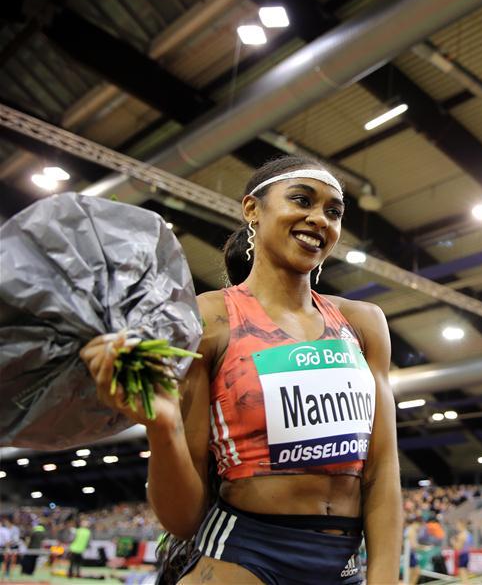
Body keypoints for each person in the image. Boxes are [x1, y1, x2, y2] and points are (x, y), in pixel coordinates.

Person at [80, 156, 402, 584]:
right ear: (252, 209)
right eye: (301, 200)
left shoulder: (363, 323)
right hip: (243, 555)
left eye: (333, 211)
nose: (318, 219)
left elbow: (381, 472)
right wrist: (161, 428)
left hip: (343, 563)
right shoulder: (207, 319)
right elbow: (182, 519)